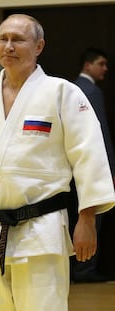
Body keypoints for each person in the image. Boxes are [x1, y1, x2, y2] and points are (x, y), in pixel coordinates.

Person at [0, 14, 115, 311]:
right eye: (3, 39)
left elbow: (88, 155)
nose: (8, 46)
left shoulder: (62, 93)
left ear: (39, 46)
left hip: (42, 231)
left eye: (18, 39)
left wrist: (87, 218)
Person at [68, 48, 115, 283]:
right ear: (88, 65)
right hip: (91, 166)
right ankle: (84, 269)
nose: (105, 68)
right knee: (91, 216)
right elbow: (100, 133)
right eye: (101, 63)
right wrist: (110, 169)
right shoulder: (91, 91)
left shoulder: (70, 88)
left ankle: (79, 268)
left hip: (70, 168)